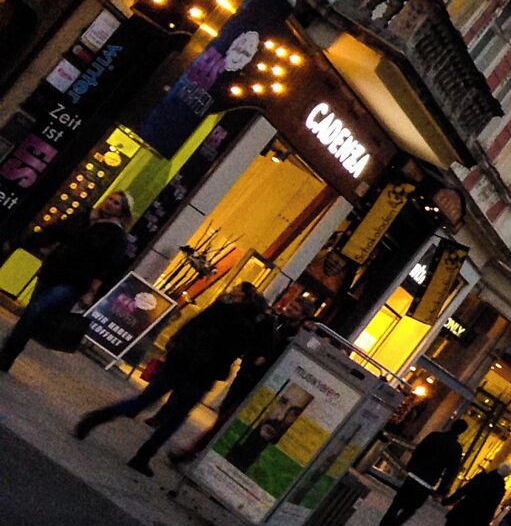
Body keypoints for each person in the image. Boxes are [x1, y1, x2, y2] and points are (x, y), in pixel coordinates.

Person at [73, 284, 266, 474]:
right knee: (175, 419)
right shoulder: (245, 328)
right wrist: (220, 373)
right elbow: (226, 356)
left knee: (143, 401)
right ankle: (143, 456)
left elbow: (192, 324)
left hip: (180, 361)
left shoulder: (221, 307)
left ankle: (96, 418)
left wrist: (176, 344)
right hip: (199, 376)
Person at [0, 192, 134, 373]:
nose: (110, 204)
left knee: (36, 309)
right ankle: (8, 355)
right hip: (53, 271)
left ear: (122, 211)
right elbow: (54, 232)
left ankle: (8, 352)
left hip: (74, 282)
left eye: (116, 203)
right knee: (32, 313)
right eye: (110, 199)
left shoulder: (116, 236)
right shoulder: (84, 217)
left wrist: (91, 292)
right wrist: (20, 242)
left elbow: (107, 267)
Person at [168, 304, 298, 464]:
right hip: (247, 373)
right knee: (224, 412)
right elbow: (256, 340)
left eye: (296, 309)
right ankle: (199, 452)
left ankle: (193, 451)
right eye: (292, 305)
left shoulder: (294, 336)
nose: (290, 308)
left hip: (261, 383)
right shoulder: (273, 322)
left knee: (226, 419)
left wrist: (265, 358)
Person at [373, 420, 468, 526]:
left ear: (451, 425)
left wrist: (411, 467)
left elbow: (418, 451)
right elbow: (451, 472)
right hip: (427, 482)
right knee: (410, 509)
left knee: (396, 505)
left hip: (414, 475)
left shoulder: (434, 436)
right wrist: (441, 490)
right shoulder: (456, 449)